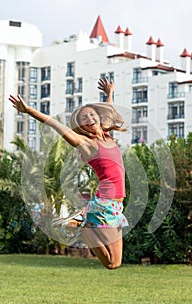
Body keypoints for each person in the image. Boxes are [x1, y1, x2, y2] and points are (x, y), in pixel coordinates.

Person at [9, 78, 128, 269]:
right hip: (105, 204)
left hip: (116, 206)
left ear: (98, 116)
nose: (89, 119)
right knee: (113, 264)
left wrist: (109, 93)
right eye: (83, 119)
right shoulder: (87, 144)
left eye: (91, 115)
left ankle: (84, 224)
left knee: (114, 263)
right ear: (80, 126)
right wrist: (29, 110)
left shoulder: (106, 134)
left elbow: (110, 110)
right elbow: (56, 125)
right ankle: (84, 223)